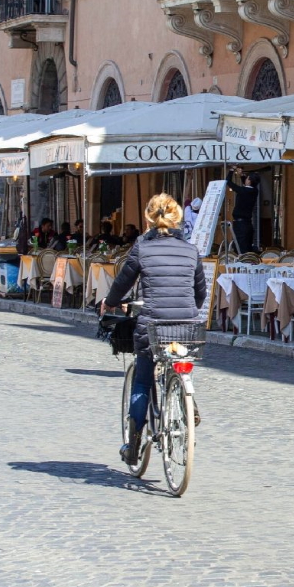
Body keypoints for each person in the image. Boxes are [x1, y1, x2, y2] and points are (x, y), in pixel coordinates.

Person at [101, 194, 207, 465]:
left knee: (142, 380)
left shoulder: (142, 247)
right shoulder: (190, 250)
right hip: (188, 325)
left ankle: (134, 446)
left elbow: (125, 280)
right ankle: (187, 401)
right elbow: (199, 293)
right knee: (180, 359)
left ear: (148, 218)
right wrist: (186, 310)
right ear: (178, 218)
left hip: (153, 324)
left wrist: (110, 303)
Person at [227, 167, 259, 254]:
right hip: (247, 223)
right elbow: (247, 185)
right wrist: (241, 175)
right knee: (247, 248)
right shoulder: (255, 191)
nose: (246, 179)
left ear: (249, 180)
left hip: (240, 225)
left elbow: (228, 182)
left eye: (247, 178)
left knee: (240, 249)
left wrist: (231, 170)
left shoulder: (243, 191)